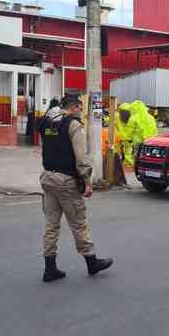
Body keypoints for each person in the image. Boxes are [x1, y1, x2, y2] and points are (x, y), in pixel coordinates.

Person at [38, 95, 113, 282]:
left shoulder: (47, 122)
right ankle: (92, 262)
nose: (81, 110)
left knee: (51, 226)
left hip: (48, 178)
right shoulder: (73, 125)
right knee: (79, 224)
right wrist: (87, 181)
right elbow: (81, 158)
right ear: (74, 107)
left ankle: (50, 268)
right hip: (66, 182)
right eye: (80, 107)